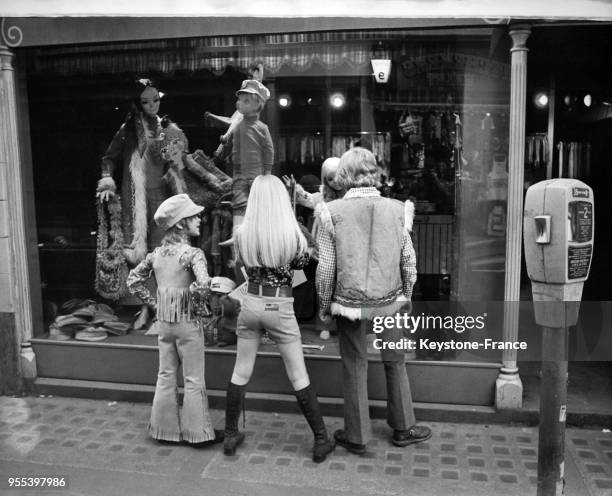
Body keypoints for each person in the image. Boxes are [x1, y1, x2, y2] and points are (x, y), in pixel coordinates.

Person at [316, 147, 432, 454]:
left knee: (354, 365)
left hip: (349, 302)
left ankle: (356, 435)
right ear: (374, 172)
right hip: (390, 299)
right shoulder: (397, 209)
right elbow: (409, 259)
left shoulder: (331, 212)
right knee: (395, 360)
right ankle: (404, 428)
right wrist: (407, 294)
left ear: (345, 175)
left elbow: (326, 268)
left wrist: (324, 305)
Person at [223, 175, 334, 463]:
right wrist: (285, 283)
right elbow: (303, 270)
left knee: (240, 371)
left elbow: (244, 266)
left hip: (251, 304)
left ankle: (230, 434)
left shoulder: (243, 232)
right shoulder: (292, 234)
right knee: (298, 374)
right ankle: (321, 438)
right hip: (280, 306)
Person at [126, 194, 222, 446]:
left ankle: (163, 430)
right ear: (181, 223)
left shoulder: (156, 254)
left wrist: (156, 302)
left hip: (164, 324)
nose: (200, 219)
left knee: (165, 374)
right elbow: (203, 285)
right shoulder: (193, 254)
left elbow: (132, 280)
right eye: (194, 216)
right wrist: (199, 304)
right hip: (188, 324)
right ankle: (197, 434)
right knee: (193, 378)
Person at [97, 78, 171, 330]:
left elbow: (175, 161)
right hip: (135, 198)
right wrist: (107, 179)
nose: (153, 105)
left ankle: (162, 310)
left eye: (156, 100)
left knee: (161, 253)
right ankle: (145, 307)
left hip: (161, 197)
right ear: (138, 104)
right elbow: (109, 157)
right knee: (139, 256)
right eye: (146, 101)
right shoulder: (128, 129)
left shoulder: (166, 127)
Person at [283, 156, 344, 339]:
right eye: (330, 179)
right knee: (324, 285)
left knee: (342, 288)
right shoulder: (321, 197)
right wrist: (295, 189)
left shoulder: (350, 197)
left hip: (344, 249)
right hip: (324, 250)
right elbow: (306, 199)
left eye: (338, 177)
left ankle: (343, 324)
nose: (335, 182)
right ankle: (325, 323)